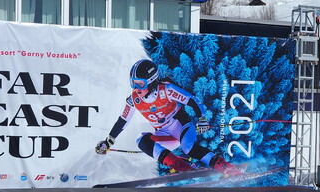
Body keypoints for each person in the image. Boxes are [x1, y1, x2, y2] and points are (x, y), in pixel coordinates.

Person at [95, 59, 241, 174]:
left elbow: (192, 100)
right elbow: (123, 120)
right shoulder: (134, 99)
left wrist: (202, 118)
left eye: (140, 84)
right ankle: (178, 165)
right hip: (164, 134)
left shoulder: (167, 90)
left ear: (151, 81)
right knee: (141, 139)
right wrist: (109, 141)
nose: (136, 88)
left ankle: (226, 167)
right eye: (133, 83)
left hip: (181, 126)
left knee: (189, 148)